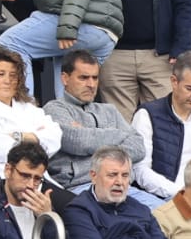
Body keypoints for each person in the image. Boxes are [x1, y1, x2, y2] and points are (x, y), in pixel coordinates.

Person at [42, 48, 153, 204]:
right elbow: (78, 142)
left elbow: (139, 148)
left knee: (169, 213)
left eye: (95, 78)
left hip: (123, 189)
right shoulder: (54, 109)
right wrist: (119, 134)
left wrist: (91, 135)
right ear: (65, 78)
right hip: (81, 188)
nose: (91, 84)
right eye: (83, 78)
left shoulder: (108, 110)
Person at [0, 43, 63, 187]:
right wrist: (36, 138)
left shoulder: (26, 106)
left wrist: (19, 136)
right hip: (10, 182)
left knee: (74, 205)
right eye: (0, 74)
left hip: (42, 178)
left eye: (13, 75)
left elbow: (55, 137)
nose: (8, 81)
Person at [130, 51, 191, 203]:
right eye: (190, 88)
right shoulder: (147, 115)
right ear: (174, 81)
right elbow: (140, 171)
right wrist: (181, 193)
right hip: (165, 198)